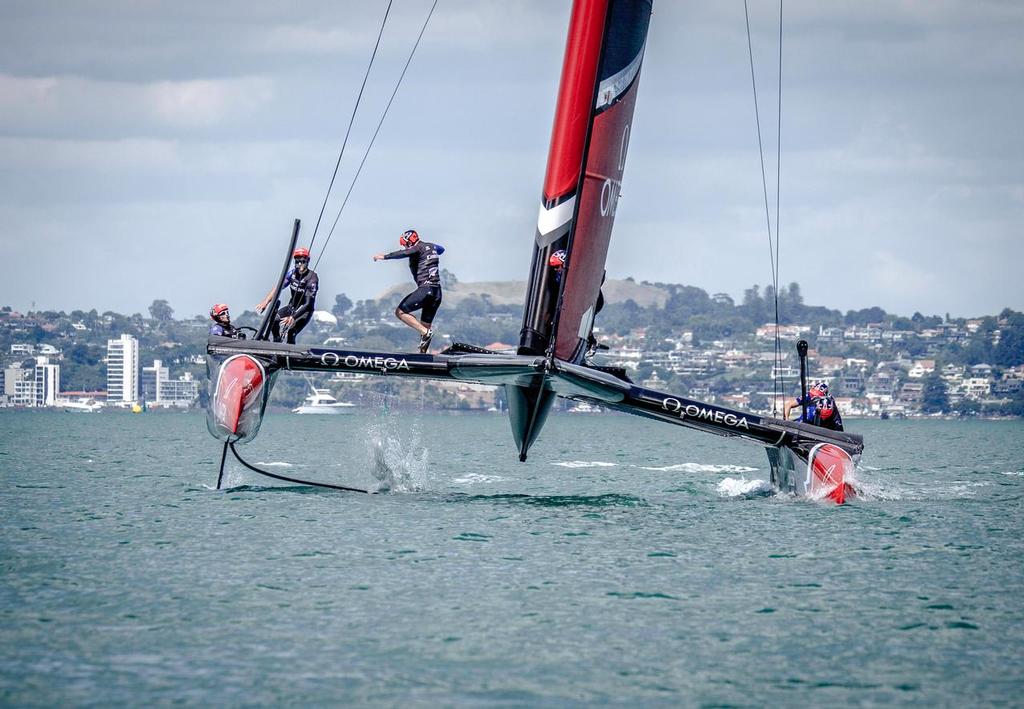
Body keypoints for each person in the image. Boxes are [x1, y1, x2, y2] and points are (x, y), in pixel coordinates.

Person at [373, 229, 445, 353]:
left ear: (409, 242)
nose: (405, 247)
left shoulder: (417, 248)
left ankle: (426, 333)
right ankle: (423, 356)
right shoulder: (431, 246)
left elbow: (404, 253)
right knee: (424, 329)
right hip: (437, 293)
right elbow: (441, 249)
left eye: (405, 244)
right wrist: (432, 250)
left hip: (425, 290)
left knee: (400, 312)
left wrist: (384, 257)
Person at [548, 249, 606, 358]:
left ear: (564, 265)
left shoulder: (577, 272)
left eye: (557, 267)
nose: (555, 270)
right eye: (553, 268)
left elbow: (601, 274)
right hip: (575, 300)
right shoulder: (558, 277)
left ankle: (591, 342)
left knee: (579, 320)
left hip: (592, 301)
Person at [255, 247, 319, 344]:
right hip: (291, 307)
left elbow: (308, 304)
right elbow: (278, 288)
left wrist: (293, 317)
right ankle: (277, 340)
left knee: (291, 332)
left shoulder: (312, 278)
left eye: (303, 261)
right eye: (297, 261)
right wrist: (265, 302)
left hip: (304, 311)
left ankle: (289, 357)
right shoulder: (292, 274)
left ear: (307, 261)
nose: (300, 264)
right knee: (274, 320)